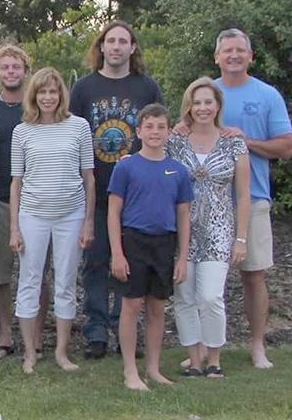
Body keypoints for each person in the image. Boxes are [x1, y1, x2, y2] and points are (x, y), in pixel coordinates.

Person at [69, 21, 164, 360]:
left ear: (133, 48)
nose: (117, 47)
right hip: (95, 190)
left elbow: (159, 132)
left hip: (137, 193)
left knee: (130, 266)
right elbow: (72, 136)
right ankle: (96, 332)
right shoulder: (83, 88)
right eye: (111, 41)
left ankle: (123, 329)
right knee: (95, 263)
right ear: (102, 47)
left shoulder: (147, 87)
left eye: (124, 41)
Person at [213, 28, 292, 369]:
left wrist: (246, 142)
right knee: (209, 278)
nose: (234, 55)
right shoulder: (206, 93)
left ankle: (257, 346)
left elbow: (286, 148)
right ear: (216, 57)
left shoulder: (267, 95)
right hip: (211, 201)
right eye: (227, 50)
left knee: (254, 274)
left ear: (251, 57)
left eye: (240, 50)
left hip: (254, 198)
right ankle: (205, 349)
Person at [10, 67, 95, 374]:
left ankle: (61, 352)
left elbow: (89, 178)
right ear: (34, 96)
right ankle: (30, 353)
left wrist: (88, 222)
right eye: (42, 92)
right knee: (30, 281)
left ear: (61, 95)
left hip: (70, 214)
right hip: (32, 214)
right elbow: (16, 182)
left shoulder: (79, 127)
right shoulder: (22, 131)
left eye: (53, 91)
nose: (48, 97)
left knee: (66, 282)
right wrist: (14, 227)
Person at [169, 78, 251, 377]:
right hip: (182, 230)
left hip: (219, 230)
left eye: (208, 102)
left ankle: (214, 358)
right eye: (197, 102)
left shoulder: (234, 142)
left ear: (217, 106)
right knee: (185, 297)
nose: (203, 108)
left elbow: (242, 195)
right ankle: (194, 358)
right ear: (188, 106)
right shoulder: (175, 141)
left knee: (210, 297)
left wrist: (240, 239)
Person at [108, 104, 193, 391]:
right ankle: (130, 370)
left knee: (158, 307)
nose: (155, 132)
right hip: (134, 240)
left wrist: (182, 257)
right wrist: (117, 253)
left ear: (169, 132)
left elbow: (183, 215)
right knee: (131, 304)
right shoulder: (126, 166)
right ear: (139, 131)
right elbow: (113, 213)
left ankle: (153, 369)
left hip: (164, 243)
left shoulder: (178, 171)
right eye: (150, 126)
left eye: (161, 127)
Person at [0, 45, 51, 360]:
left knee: (36, 271)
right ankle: (6, 334)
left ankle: (35, 334)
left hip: (36, 200)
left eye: (16, 67)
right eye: (5, 67)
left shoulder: (38, 108)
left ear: (25, 70)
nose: (11, 72)